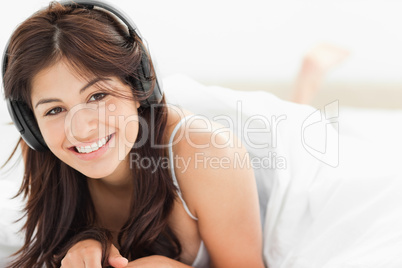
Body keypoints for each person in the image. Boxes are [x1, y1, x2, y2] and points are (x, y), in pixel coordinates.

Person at [1, 1, 265, 267]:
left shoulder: (207, 151)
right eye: (55, 110)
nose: (81, 130)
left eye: (98, 95)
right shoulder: (45, 153)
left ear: (140, 85)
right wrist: (83, 243)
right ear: (31, 124)